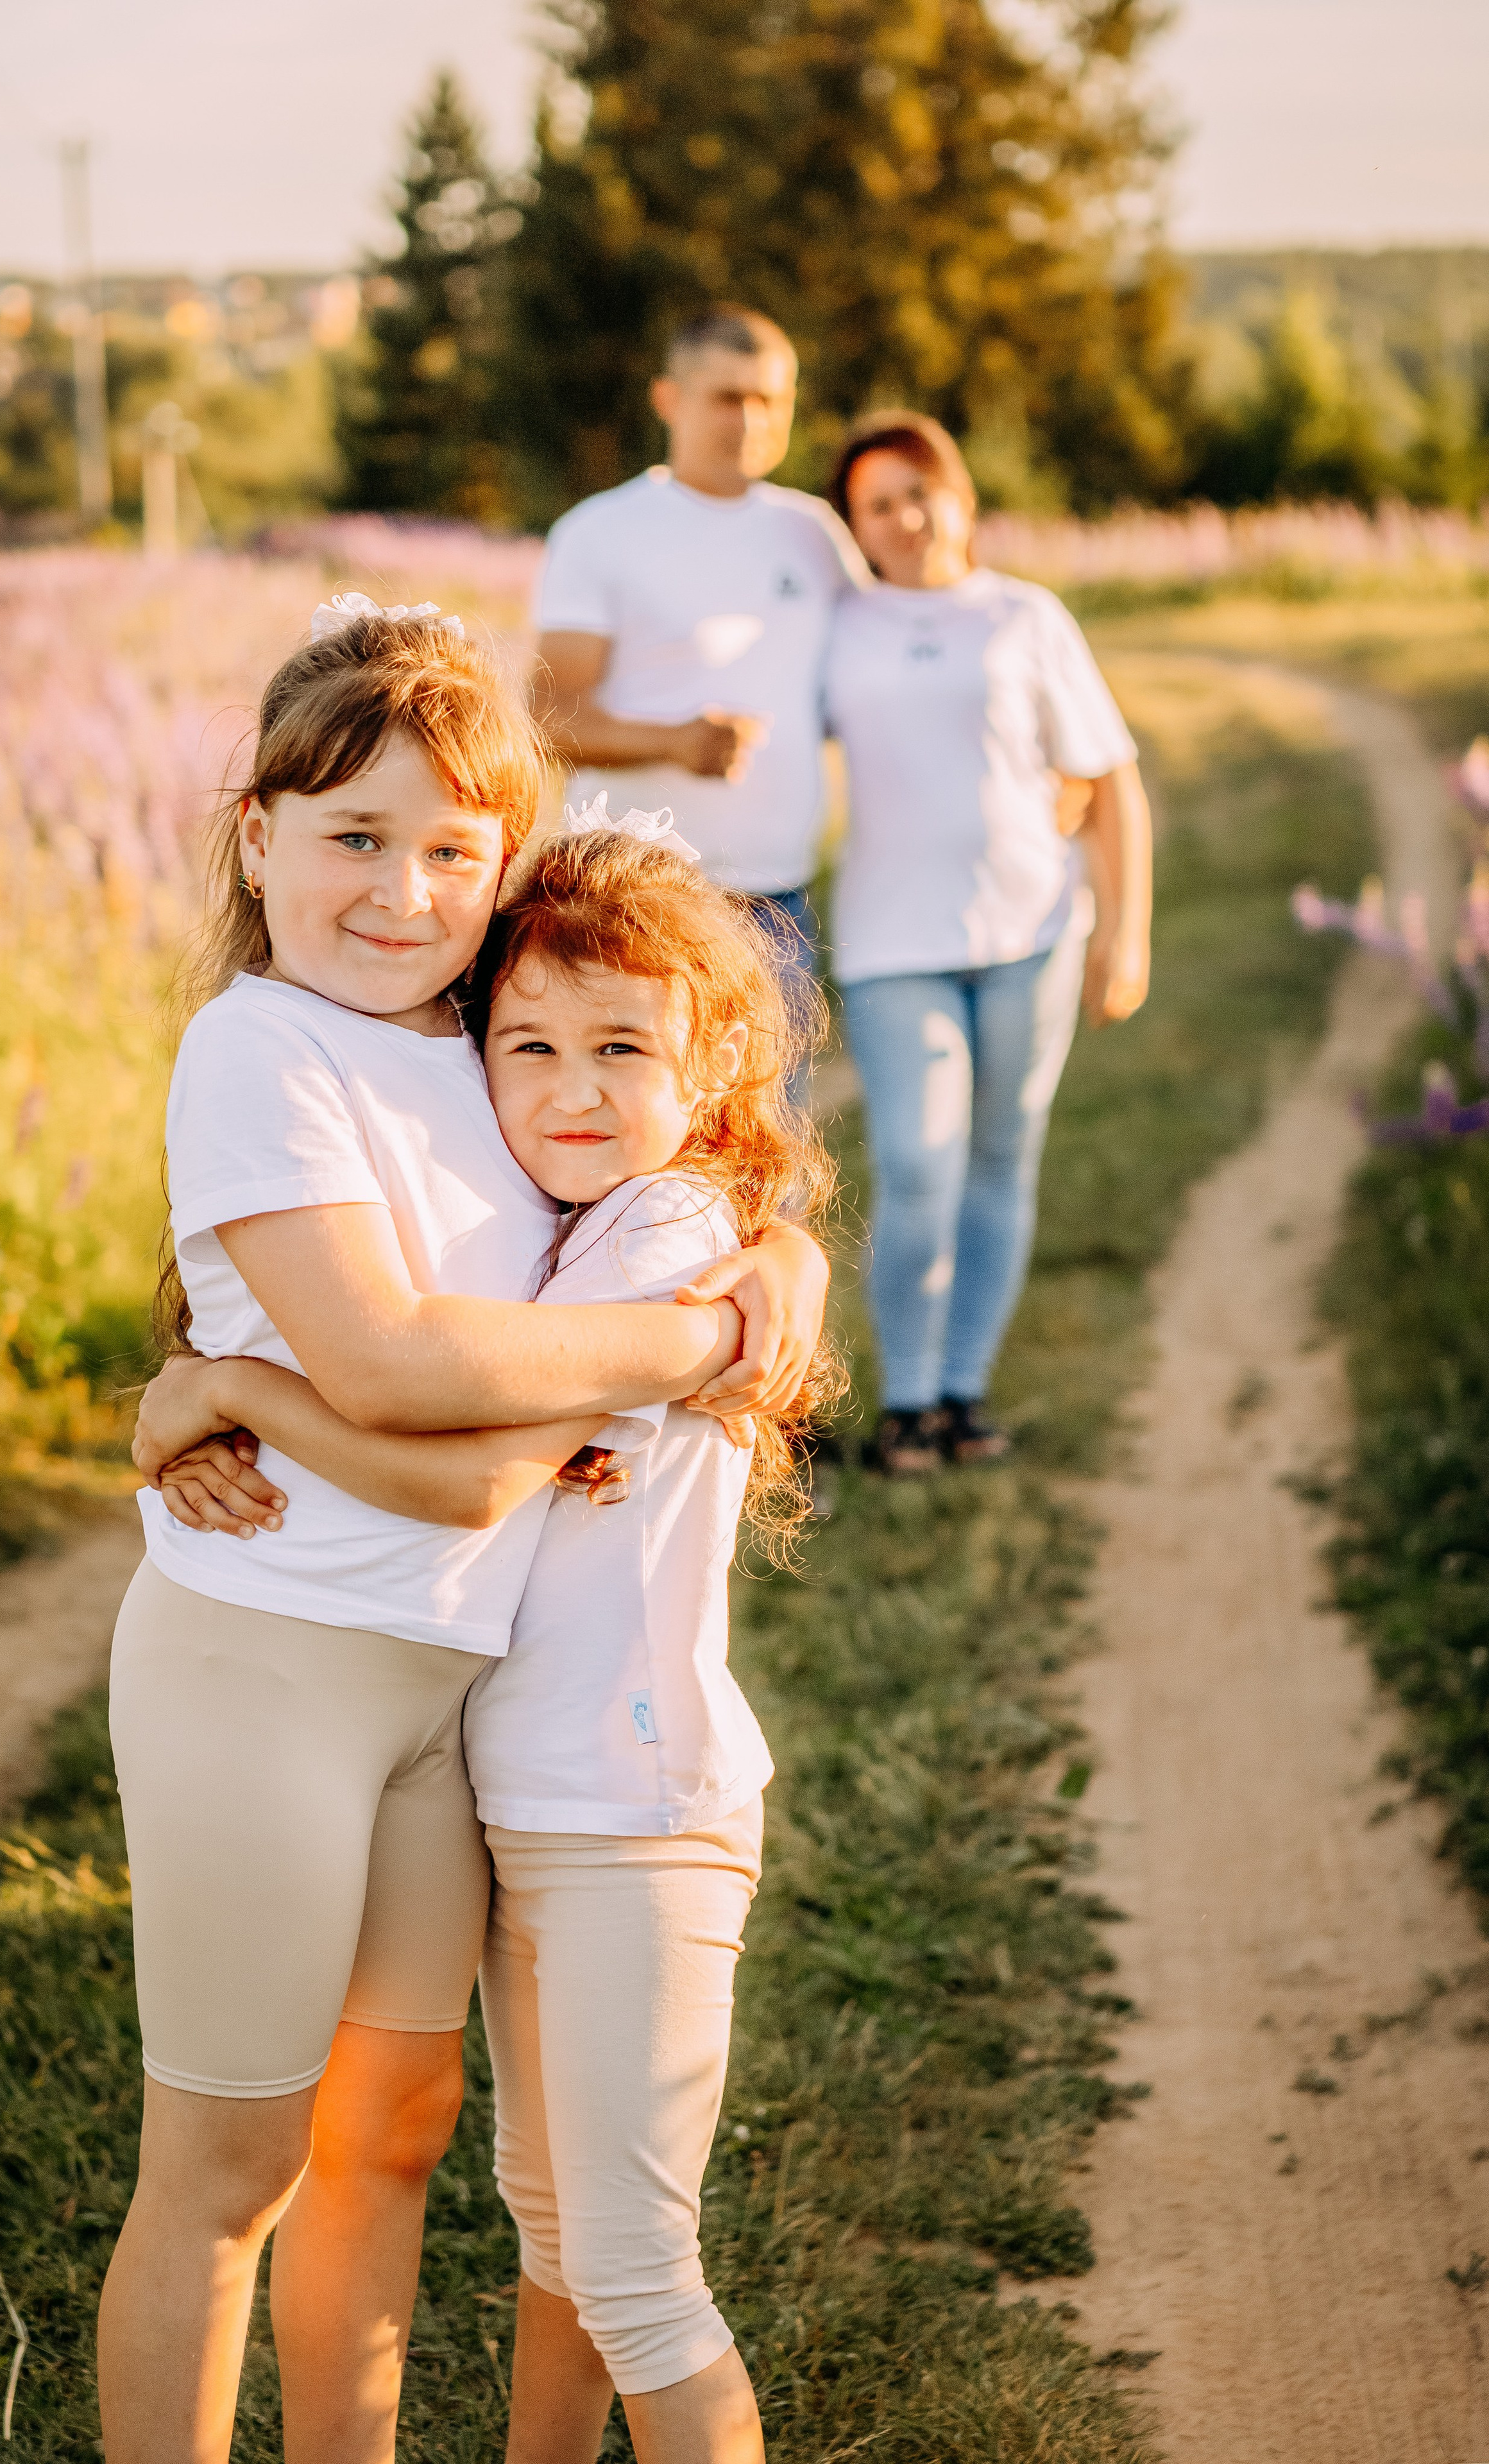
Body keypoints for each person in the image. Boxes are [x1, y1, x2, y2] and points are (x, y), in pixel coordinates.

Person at [102, 599, 829, 2464]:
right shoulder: (259, 1049)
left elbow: (670, 1131)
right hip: (269, 1665)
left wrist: (776, 1256)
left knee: (394, 2130)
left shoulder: (483, 1041)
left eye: (451, 849)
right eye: (350, 837)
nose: (403, 888)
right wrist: (696, 1341)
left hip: (450, 1697)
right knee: (236, 2152)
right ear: (255, 835)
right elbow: (418, 1379)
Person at [823, 413, 1153, 1475]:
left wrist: (1126, 934)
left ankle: (963, 1395)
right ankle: (906, 1402)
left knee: (1004, 1158)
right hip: (890, 940)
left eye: (921, 491)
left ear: (959, 496)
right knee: (918, 1164)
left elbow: (1106, 780)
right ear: (857, 528)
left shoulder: (1026, 617)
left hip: (1034, 930)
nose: (906, 517)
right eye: (880, 504)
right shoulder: (841, 624)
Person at [531, 303, 865, 987]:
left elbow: (880, 675)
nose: (749, 420)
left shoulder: (816, 534)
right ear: (668, 399)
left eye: (769, 399)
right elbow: (547, 716)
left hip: (776, 906)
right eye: (727, 398)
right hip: (626, 899)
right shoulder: (600, 533)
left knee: (766, 1099)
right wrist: (674, 741)